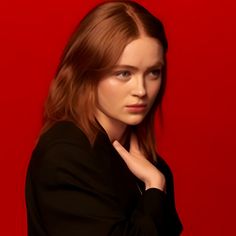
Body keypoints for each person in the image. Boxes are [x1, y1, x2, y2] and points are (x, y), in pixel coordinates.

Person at [25, 1, 183, 235]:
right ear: (88, 73)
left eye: (153, 72)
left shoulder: (149, 163)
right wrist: (154, 188)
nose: (141, 89)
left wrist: (154, 182)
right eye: (124, 73)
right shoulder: (65, 155)